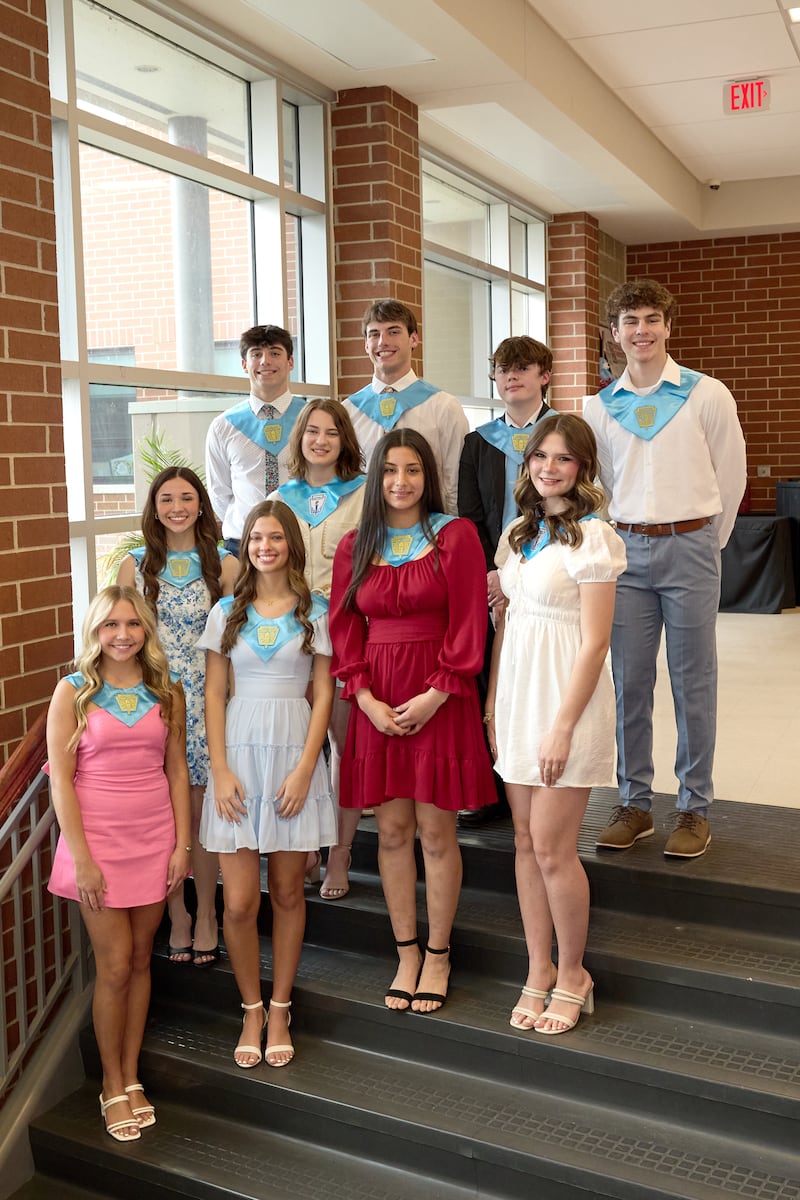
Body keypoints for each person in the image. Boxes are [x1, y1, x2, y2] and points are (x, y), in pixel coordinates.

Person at [329, 428, 494, 1014]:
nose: (401, 482)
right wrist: (366, 700)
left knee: (435, 832)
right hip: (378, 699)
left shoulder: (455, 536)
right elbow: (345, 629)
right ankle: (406, 951)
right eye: (391, 470)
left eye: (413, 470)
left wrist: (438, 693)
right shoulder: (356, 543)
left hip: (439, 697)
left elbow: (471, 622)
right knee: (392, 832)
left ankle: (441, 953)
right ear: (377, 478)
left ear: (429, 477)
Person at [584, 280, 746, 858]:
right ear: (616, 332)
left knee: (693, 682)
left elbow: (732, 477)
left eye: (652, 318)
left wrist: (704, 544)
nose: (642, 330)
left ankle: (694, 807)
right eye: (630, 320)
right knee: (629, 683)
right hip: (625, 554)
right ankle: (635, 802)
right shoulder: (598, 407)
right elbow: (595, 486)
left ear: (668, 327)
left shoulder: (706, 395)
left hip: (691, 547)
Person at [485, 414, 626, 1035]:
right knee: (522, 842)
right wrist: (494, 705)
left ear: (583, 467)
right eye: (540, 456)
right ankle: (537, 967)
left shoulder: (594, 538)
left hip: (566, 701)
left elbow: (595, 644)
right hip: (518, 694)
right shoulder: (518, 534)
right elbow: (509, 624)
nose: (549, 467)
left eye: (563, 459)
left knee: (551, 847)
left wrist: (562, 727)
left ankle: (574, 973)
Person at [47, 587, 191, 1141]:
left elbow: (177, 771)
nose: (123, 634)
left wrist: (181, 845)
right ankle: (111, 1084)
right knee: (113, 965)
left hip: (155, 838)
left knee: (139, 962)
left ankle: (132, 1076)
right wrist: (81, 857)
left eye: (133, 624)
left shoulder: (166, 690)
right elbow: (61, 779)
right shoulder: (73, 692)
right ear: (95, 630)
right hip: (98, 845)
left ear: (146, 631)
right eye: (111, 624)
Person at [198, 500, 336, 1068]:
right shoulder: (226, 611)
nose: (264, 546)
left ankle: (280, 1006)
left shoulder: (315, 610)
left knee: (285, 893)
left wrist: (307, 769)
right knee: (236, 905)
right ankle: (250, 1007)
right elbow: (211, 693)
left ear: (291, 545)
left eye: (275, 537)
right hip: (239, 756)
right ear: (245, 545)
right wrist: (221, 768)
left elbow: (323, 692)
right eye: (256, 537)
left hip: (292, 756)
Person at [117, 467, 238, 967]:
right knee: (167, 812)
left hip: (210, 699)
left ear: (201, 504)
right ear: (154, 506)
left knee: (203, 814)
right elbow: (119, 638)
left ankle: (207, 912)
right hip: (155, 700)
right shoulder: (135, 564)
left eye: (186, 497)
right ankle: (177, 914)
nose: (177, 507)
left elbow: (237, 640)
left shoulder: (226, 564)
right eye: (166, 498)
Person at [271, 399, 366, 900]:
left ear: (344, 440)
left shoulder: (365, 493)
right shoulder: (280, 498)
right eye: (312, 431)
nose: (321, 440)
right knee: (296, 746)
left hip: (346, 632)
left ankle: (340, 855)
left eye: (332, 432)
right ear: (300, 438)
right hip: (291, 639)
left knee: (344, 749)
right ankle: (304, 845)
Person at [457, 335, 553, 826]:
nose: (511, 376)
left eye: (522, 367)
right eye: (502, 369)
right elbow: (470, 517)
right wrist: (494, 575)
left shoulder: (564, 435)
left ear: (544, 376)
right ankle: (490, 787)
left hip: (551, 577)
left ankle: (546, 777)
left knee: (540, 673)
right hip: (493, 579)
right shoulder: (478, 442)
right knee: (490, 676)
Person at [343, 299, 468, 515]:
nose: (382, 342)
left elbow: (455, 483)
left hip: (428, 530)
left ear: (413, 339)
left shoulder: (443, 406)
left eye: (393, 332)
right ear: (365, 344)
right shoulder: (348, 411)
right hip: (365, 529)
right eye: (374, 334)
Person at [205, 324, 308, 554]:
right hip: (242, 543)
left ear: (290, 362)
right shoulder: (224, 426)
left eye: (274, 353)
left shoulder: (313, 419)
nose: (265, 361)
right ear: (244, 364)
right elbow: (219, 493)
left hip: (300, 539)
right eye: (256, 354)